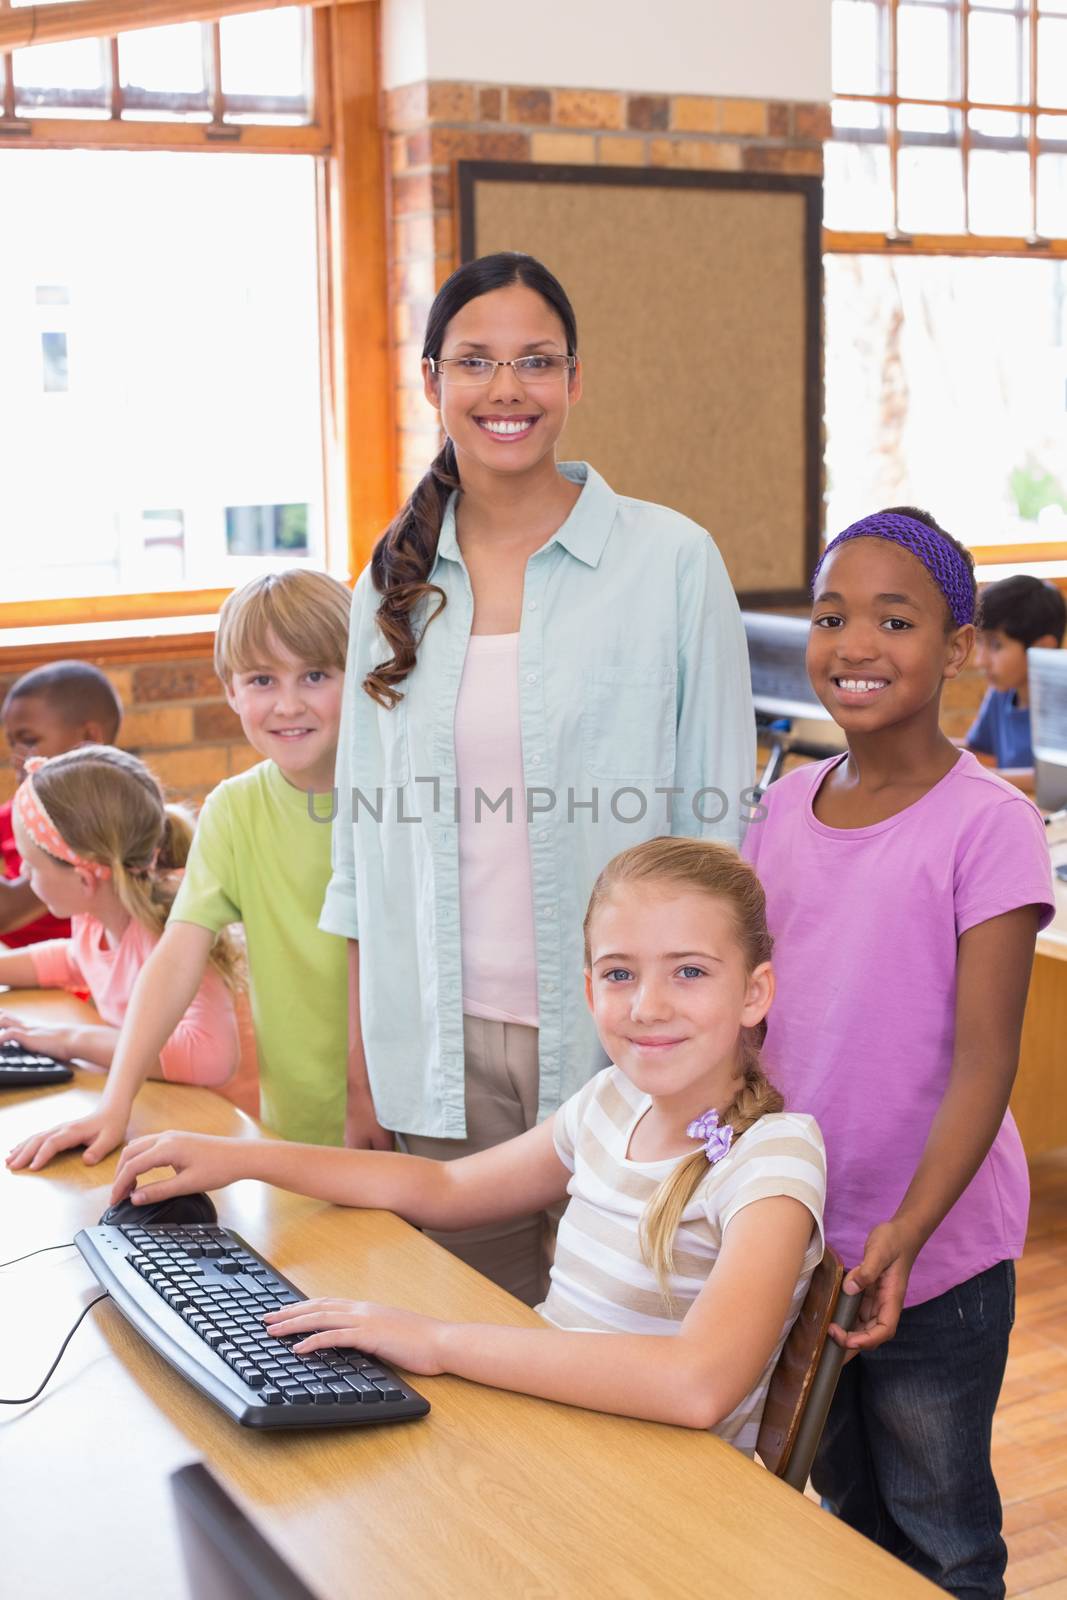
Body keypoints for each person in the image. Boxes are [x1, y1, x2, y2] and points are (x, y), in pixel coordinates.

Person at [323, 251, 756, 1303]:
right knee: (461, 1371)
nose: (505, 389)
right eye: (474, 361)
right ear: (431, 382)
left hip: (633, 1040)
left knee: (624, 1368)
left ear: (574, 380)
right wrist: (360, 1065)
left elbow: (720, 834)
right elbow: (359, 853)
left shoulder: (671, 561)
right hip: (434, 1044)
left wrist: (720, 1058)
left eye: (534, 361)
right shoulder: (388, 583)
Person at [109, 838, 825, 1453]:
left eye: (690, 971)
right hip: (552, 1432)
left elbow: (695, 1384)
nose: (647, 1006)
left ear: (754, 993)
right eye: (619, 974)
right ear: (587, 988)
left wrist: (440, 1342)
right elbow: (444, 1191)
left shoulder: (773, 1160)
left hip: (664, 1490)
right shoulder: (610, 1103)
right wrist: (242, 1158)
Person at [742, 507, 1055, 1598]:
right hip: (802, 1239)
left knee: (941, 1539)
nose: (855, 644)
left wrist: (905, 1237)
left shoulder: (987, 826)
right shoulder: (779, 809)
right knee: (847, 1519)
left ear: (957, 647)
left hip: (933, 1257)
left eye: (894, 618)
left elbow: (983, 1064)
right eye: (831, 617)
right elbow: (753, 1017)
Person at [6, 568, 352, 1171]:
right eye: (262, 679)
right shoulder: (235, 809)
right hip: (294, 1119)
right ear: (230, 691)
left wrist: (366, 1096)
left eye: (316, 675)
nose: (288, 703)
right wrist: (115, 1105)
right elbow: (174, 959)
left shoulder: (398, 799)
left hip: (402, 1115)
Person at [0, 745, 240, 1084]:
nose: (22, 870)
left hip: (216, 1120)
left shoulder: (174, 932)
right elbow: (74, 959)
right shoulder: (95, 915)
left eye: (32, 865)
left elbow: (209, 1056)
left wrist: (69, 1040)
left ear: (85, 879)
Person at [0, 661, 123, 947]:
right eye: (12, 744)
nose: (17, 757)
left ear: (90, 738)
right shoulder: (25, 808)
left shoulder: (100, 821)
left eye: (29, 741)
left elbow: (5, 910)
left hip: (69, 977)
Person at [965, 573, 1067, 784]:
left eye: (996, 645)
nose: (980, 661)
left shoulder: (1061, 701)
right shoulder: (1001, 692)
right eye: (981, 643)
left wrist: (989, 779)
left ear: (1041, 648)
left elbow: (1059, 779)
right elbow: (974, 747)